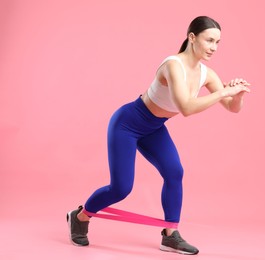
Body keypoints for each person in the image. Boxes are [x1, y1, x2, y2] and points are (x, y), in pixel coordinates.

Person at [67, 16, 250, 255]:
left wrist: (237, 94)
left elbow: (232, 108)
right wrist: (223, 92)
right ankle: (80, 217)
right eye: (209, 40)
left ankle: (170, 235)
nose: (213, 47)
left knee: (175, 172)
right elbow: (186, 107)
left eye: (217, 42)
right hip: (127, 124)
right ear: (192, 38)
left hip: (154, 127)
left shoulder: (207, 73)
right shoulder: (173, 65)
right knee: (121, 188)